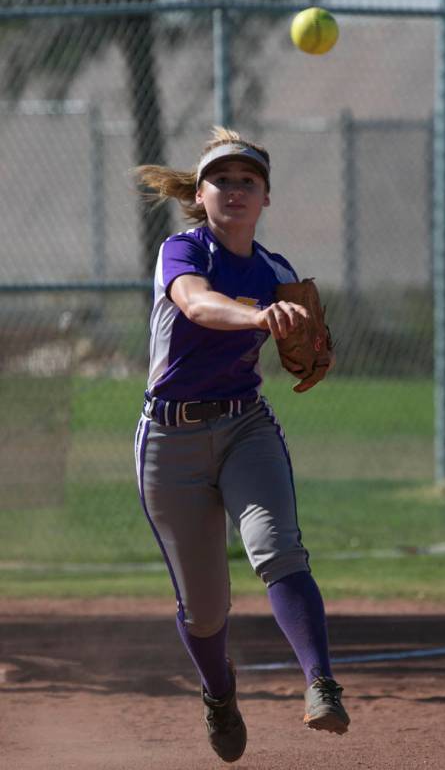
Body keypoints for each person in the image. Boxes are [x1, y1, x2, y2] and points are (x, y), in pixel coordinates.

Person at [133, 126, 349, 763]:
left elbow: (304, 351)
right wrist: (259, 316)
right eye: (221, 179)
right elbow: (198, 306)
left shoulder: (277, 273)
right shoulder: (182, 250)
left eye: (247, 181)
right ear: (200, 195)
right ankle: (219, 693)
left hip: (244, 426)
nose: (234, 188)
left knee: (276, 548)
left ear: (265, 200)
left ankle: (321, 683)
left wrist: (308, 344)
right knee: (205, 609)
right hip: (168, 440)